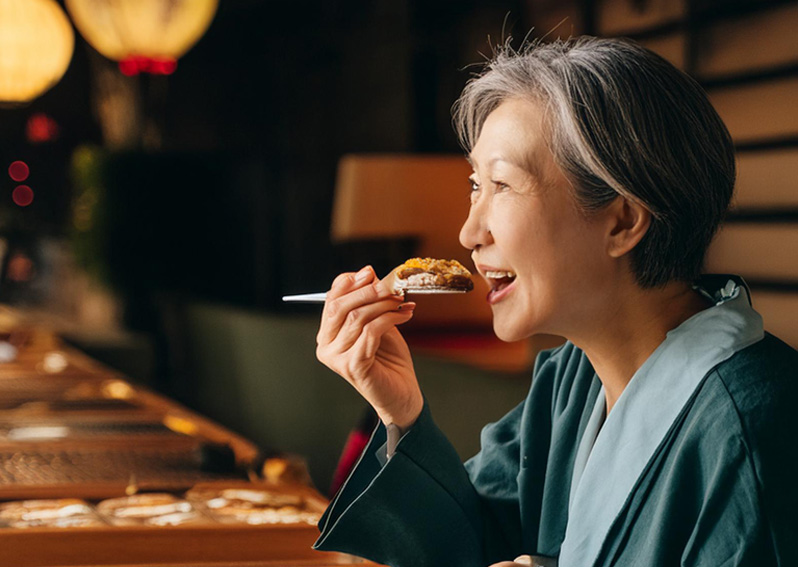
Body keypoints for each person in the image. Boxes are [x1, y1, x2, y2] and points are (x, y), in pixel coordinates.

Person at [312, 36, 798, 567]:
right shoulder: (570, 382)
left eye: (502, 184)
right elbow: (471, 540)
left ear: (622, 220)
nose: (469, 231)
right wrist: (401, 413)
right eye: (476, 184)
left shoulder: (756, 429)